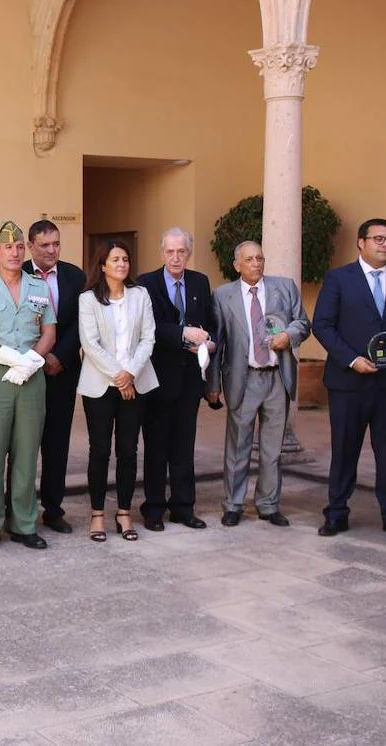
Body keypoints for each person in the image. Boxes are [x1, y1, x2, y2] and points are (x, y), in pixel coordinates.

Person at [313, 219, 386, 539]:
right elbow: (323, 325)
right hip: (349, 382)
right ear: (361, 243)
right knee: (344, 450)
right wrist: (352, 359)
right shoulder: (339, 278)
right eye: (379, 239)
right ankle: (336, 513)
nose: (385, 245)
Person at [0, 221, 56, 551]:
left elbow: (49, 332)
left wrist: (30, 360)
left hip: (32, 378)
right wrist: (10, 358)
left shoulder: (38, 286)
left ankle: (24, 523)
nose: (14, 252)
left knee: (27, 452)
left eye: (19, 247)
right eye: (8, 247)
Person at [205, 241, 310, 527]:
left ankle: (268, 504)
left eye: (260, 258)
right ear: (237, 265)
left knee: (272, 449)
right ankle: (233, 505)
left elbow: (303, 323)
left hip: (277, 376)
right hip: (243, 378)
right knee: (237, 445)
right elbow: (218, 342)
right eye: (249, 259)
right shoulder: (223, 296)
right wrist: (213, 384)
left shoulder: (284, 287)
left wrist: (288, 335)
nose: (256, 264)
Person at [77, 240, 157, 542]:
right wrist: (119, 377)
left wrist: (131, 374)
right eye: (115, 259)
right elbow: (90, 343)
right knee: (99, 450)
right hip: (100, 385)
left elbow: (149, 338)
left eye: (125, 259)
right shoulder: (88, 299)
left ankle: (124, 512)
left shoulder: (141, 295)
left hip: (136, 383)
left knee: (128, 450)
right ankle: (97, 514)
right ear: (102, 265)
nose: (122, 264)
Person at [138, 227, 216, 531]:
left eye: (181, 251)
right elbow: (149, 327)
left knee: (184, 446)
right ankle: (154, 509)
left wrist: (209, 342)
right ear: (161, 253)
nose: (175, 257)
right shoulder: (147, 283)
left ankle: (184, 507)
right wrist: (182, 334)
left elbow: (209, 323)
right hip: (157, 378)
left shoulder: (199, 281)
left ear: (189, 252)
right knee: (156, 447)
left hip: (189, 379)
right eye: (170, 252)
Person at [21, 219, 85, 534]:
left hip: (63, 371)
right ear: (31, 245)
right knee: (22, 443)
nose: (52, 250)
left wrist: (60, 355)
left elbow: (81, 323)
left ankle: (53, 509)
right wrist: (36, 356)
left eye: (56, 244)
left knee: (57, 443)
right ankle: (17, 507)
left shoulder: (75, 276)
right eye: (45, 245)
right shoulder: (16, 273)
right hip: (27, 371)